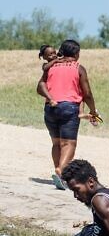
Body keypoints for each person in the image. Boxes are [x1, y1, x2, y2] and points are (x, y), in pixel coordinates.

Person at [36, 40, 99, 190]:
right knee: (69, 144)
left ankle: (59, 173)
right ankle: (60, 171)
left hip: (50, 108)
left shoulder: (51, 67)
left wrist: (51, 98)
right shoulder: (78, 68)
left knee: (57, 143)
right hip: (69, 107)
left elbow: (39, 87)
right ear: (77, 54)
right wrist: (93, 110)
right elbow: (87, 93)